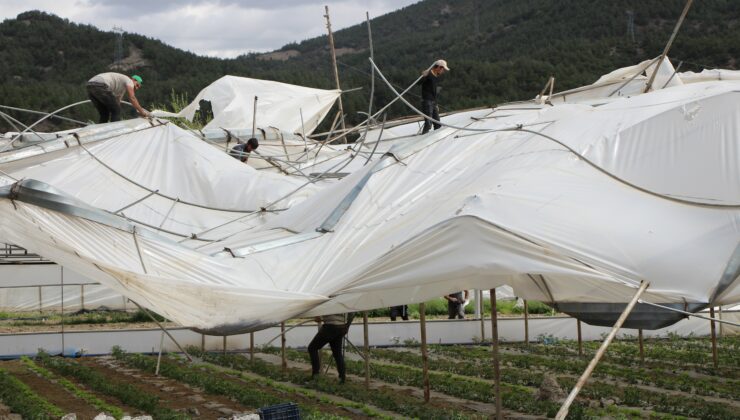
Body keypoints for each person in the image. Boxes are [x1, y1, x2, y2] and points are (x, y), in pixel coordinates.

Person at [308, 313, 352, 383]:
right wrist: (347, 326)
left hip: (330, 326)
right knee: (337, 354)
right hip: (341, 326)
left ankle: (315, 376)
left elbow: (325, 309)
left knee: (312, 348)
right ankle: (342, 379)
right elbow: (351, 313)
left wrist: (320, 318)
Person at [418, 59, 449, 134]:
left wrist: (436, 103)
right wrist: (423, 76)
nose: (443, 71)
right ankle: (423, 138)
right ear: (438, 67)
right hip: (427, 101)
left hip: (433, 102)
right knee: (428, 123)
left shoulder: (436, 76)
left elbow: (433, 91)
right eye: (443, 69)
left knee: (437, 124)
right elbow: (419, 83)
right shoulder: (428, 74)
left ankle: (436, 139)